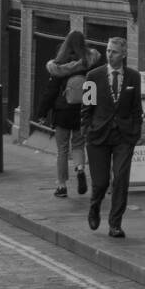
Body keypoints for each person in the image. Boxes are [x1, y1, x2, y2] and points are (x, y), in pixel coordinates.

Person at [82, 36, 145, 239]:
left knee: (120, 179)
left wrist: (135, 132)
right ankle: (94, 206)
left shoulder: (134, 77)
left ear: (124, 54)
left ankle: (115, 224)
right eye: (108, 51)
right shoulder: (93, 76)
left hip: (124, 137)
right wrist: (87, 131)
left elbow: (136, 108)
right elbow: (86, 108)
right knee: (100, 183)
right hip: (98, 136)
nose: (110, 55)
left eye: (114, 51)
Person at [44, 30, 101, 199]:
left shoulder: (59, 65)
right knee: (78, 144)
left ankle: (62, 187)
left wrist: (42, 112)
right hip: (82, 111)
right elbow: (95, 87)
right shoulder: (90, 63)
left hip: (63, 112)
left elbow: (51, 92)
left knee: (62, 150)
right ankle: (81, 169)